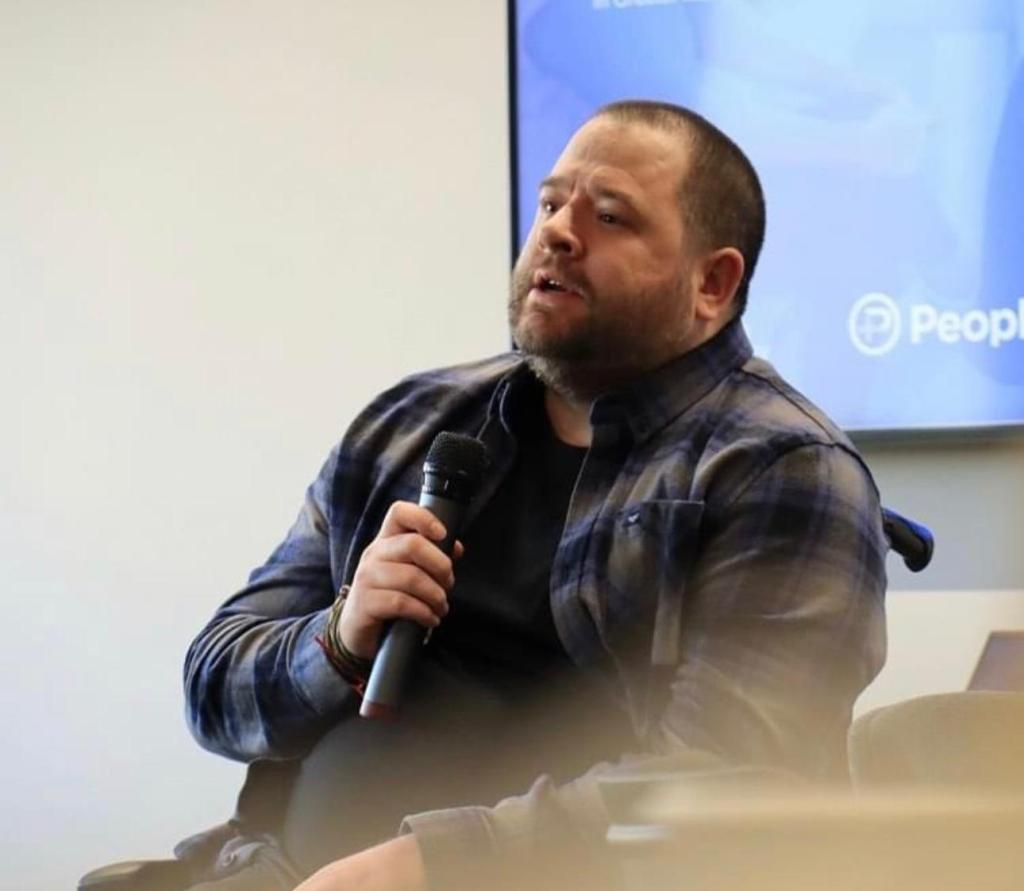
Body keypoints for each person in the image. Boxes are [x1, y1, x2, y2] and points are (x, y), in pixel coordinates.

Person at [182, 100, 887, 891]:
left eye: (610, 216)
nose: (557, 231)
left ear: (713, 283)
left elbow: (733, 777)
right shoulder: (412, 421)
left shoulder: (780, 469)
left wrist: (433, 862)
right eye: (550, 203)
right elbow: (213, 687)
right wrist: (339, 637)